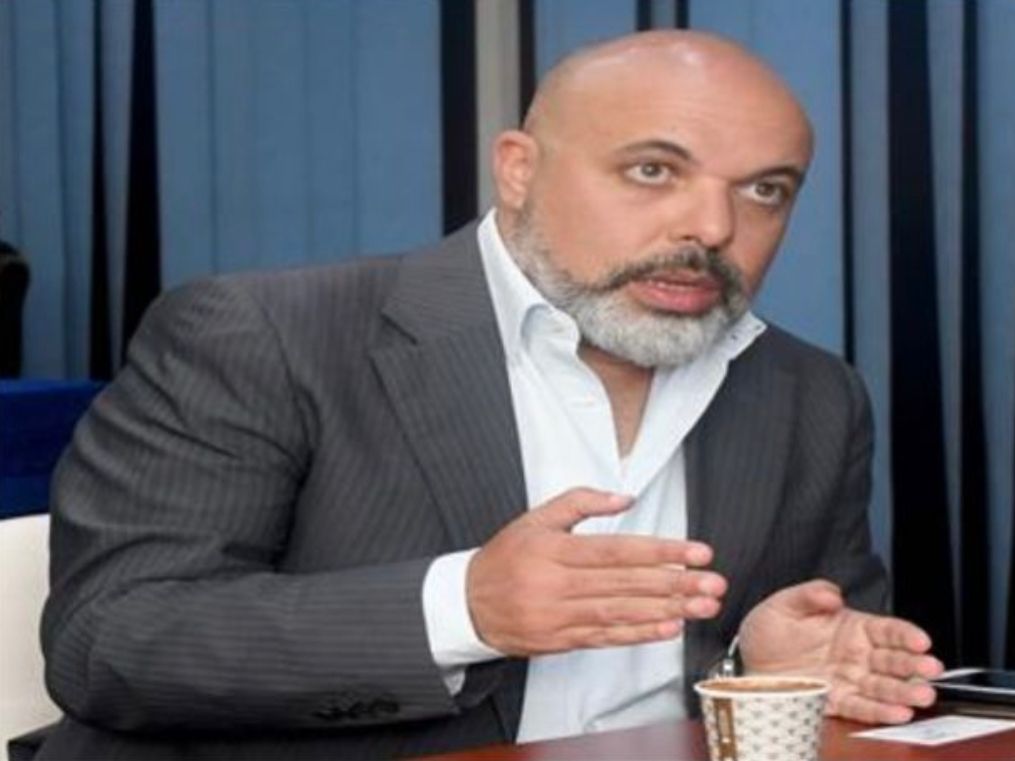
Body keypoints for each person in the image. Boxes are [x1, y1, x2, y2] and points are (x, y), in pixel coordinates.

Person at [29, 30, 943, 760]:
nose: (711, 226)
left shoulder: (810, 392)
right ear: (517, 169)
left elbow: (820, 661)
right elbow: (108, 640)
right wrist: (465, 609)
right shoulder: (265, 334)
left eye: (764, 190)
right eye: (652, 170)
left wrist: (765, 668)